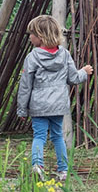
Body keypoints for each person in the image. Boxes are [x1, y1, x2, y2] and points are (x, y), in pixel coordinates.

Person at [16, 14, 92, 181]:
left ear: (40, 36)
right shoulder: (64, 55)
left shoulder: (33, 57)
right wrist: (84, 72)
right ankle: (63, 170)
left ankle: (37, 165)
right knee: (57, 135)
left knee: (39, 136)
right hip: (58, 104)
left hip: (39, 105)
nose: (29, 38)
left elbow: (25, 85)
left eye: (32, 34)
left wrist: (22, 109)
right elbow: (73, 78)